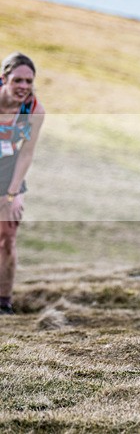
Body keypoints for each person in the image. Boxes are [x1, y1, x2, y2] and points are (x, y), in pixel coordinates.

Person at [0, 52, 45, 316]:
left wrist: (13, 193)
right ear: (4, 78)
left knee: (7, 237)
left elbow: (27, 153)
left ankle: (3, 302)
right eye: (18, 80)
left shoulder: (33, 109)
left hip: (9, 168)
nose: (24, 87)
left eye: (29, 81)